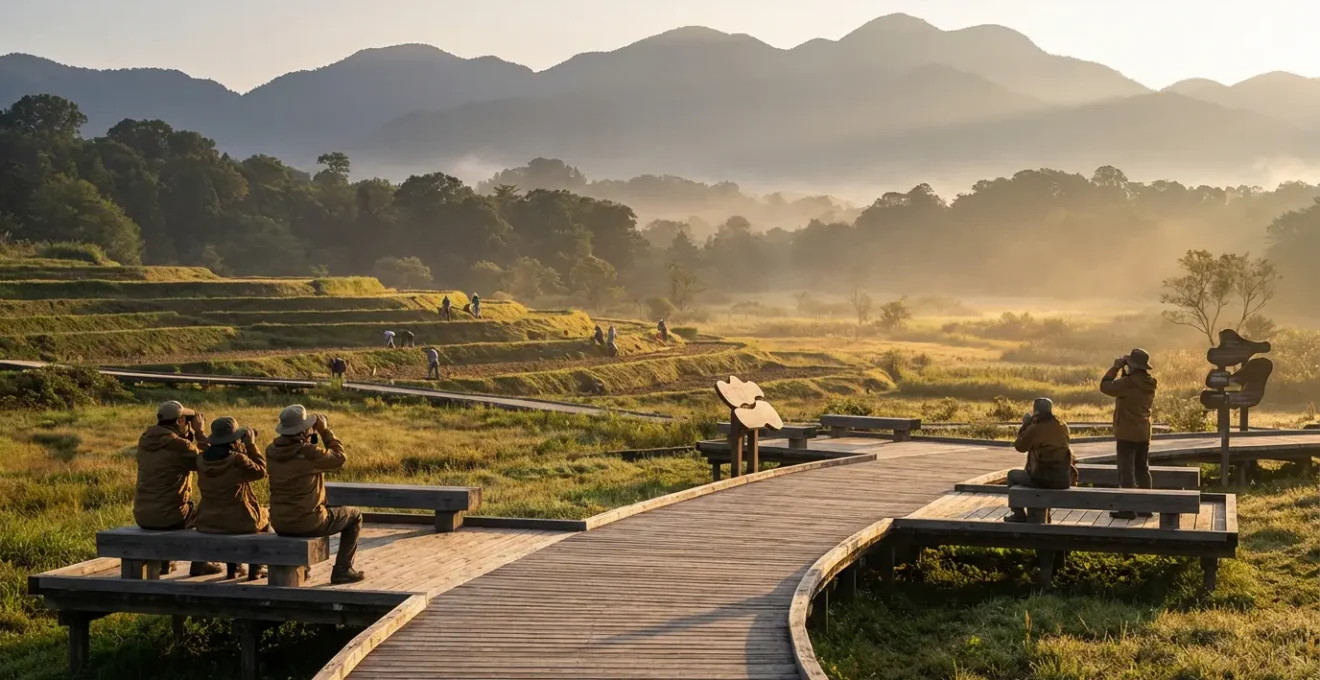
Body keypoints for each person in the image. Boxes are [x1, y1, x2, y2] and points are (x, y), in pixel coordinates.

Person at [267, 405, 365, 584]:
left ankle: (305, 568)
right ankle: (343, 569)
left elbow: (296, 458)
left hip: (280, 521)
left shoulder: (271, 451)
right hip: (308, 522)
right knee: (355, 515)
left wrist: (308, 438)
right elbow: (339, 457)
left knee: (313, 508)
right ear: (303, 430)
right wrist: (324, 430)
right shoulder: (309, 453)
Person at [133, 401, 223, 576]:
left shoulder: (145, 440)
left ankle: (166, 563)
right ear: (180, 421)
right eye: (187, 420)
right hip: (170, 517)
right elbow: (211, 463)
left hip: (142, 514)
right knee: (210, 512)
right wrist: (199, 433)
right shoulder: (181, 446)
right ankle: (201, 563)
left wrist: (186, 438)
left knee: (167, 500)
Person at [196, 417, 269, 580]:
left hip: (208, 520)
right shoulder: (237, 459)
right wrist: (250, 445)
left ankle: (233, 568)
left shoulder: (200, 460)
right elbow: (261, 471)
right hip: (238, 522)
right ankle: (257, 567)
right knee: (263, 518)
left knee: (231, 514)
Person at [1101, 348, 1158, 519]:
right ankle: (1145, 508)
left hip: (1126, 433)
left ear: (1132, 366)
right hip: (1143, 432)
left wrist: (1116, 367)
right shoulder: (1150, 382)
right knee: (1142, 470)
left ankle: (1127, 509)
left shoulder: (1128, 383)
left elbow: (1105, 386)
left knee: (1126, 472)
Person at [1004, 398, 1077, 523]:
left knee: (1012, 475)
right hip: (1063, 479)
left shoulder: (1036, 428)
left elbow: (1020, 447)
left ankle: (1018, 513)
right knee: (1041, 468)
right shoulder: (1062, 425)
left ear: (1035, 411)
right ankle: (1046, 515)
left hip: (1042, 479)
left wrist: (1025, 425)